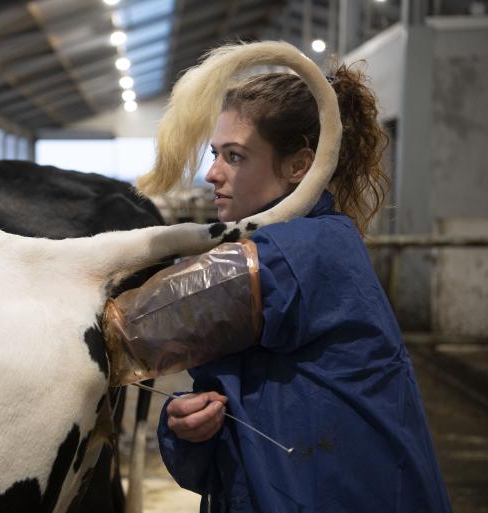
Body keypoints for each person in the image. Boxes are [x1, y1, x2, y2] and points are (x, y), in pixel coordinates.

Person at [147, 55, 452, 511]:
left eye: (235, 156)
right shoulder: (303, 238)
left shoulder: (300, 249)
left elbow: (144, 327)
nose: (212, 173)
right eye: (215, 154)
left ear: (298, 166)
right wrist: (186, 423)